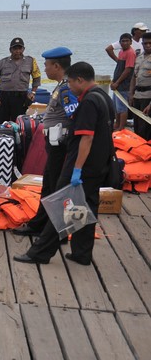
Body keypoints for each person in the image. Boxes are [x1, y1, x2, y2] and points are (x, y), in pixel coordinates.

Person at [14, 62, 115, 266]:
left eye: (70, 81)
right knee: (86, 207)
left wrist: (76, 169)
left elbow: (86, 138)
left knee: (61, 206)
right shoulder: (104, 97)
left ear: (80, 80)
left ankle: (40, 252)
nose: (69, 85)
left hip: (82, 163)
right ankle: (82, 252)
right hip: (99, 163)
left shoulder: (88, 102)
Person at [13, 46, 79, 237]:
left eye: (47, 65)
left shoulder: (66, 88)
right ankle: (40, 225)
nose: (45, 69)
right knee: (49, 186)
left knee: (59, 188)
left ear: (57, 66)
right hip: (55, 145)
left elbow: (74, 116)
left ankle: (61, 230)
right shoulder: (62, 86)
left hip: (61, 146)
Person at [0, 37, 42, 124]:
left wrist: (33, 93)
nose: (17, 51)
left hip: (21, 98)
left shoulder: (31, 61)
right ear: (10, 50)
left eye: (20, 48)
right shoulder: (2, 63)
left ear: (23, 49)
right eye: (15, 49)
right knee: (1, 123)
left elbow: (37, 77)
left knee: (19, 123)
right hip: (4, 97)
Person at [108, 33, 136, 131]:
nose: (125, 43)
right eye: (123, 41)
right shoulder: (121, 52)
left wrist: (117, 82)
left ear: (131, 42)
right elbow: (119, 68)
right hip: (117, 84)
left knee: (122, 107)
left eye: (127, 41)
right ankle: (117, 125)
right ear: (120, 43)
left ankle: (121, 128)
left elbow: (128, 70)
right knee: (116, 106)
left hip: (124, 85)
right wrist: (113, 81)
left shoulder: (130, 53)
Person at [130, 32, 151, 141]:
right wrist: (131, 95)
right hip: (137, 96)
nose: (147, 45)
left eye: (150, 43)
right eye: (145, 43)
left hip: (148, 98)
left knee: (146, 129)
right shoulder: (139, 57)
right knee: (137, 127)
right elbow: (134, 77)